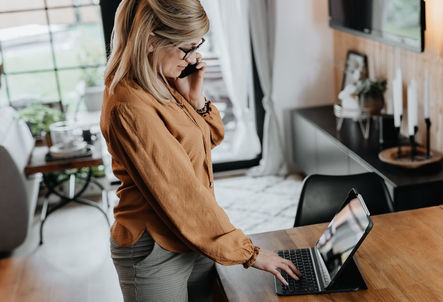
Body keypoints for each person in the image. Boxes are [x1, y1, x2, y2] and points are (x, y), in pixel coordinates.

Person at [100, 0, 301, 301]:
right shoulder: (130, 105)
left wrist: (195, 99)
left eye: (198, 45)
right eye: (187, 48)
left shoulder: (162, 81)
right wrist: (249, 253)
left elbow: (208, 140)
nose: (194, 57)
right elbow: (179, 190)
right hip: (154, 249)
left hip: (194, 235)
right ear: (152, 38)